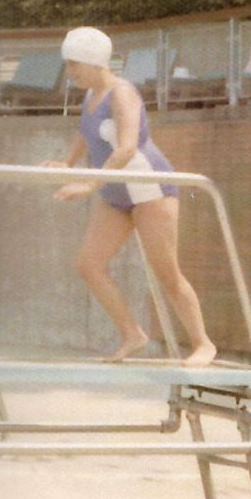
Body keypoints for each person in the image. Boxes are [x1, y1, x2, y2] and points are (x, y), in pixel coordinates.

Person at [44, 26, 217, 367]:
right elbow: (87, 133)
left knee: (167, 273)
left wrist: (88, 185)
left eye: (75, 64)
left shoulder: (122, 93)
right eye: (69, 64)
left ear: (94, 61)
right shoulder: (91, 95)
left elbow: (126, 147)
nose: (70, 72)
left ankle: (203, 344)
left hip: (149, 189)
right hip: (115, 191)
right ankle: (132, 333)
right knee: (89, 265)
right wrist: (67, 163)